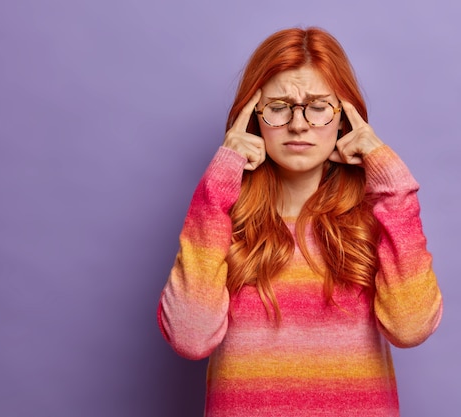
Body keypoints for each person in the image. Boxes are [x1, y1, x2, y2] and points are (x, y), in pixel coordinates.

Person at [158, 27, 443, 417]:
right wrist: (217, 185)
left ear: (344, 116)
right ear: (252, 118)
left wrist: (387, 174)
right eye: (278, 107)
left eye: (318, 106)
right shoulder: (222, 223)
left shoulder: (376, 221)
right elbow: (190, 338)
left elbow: (410, 328)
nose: (299, 124)